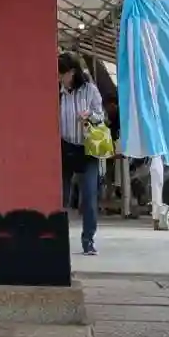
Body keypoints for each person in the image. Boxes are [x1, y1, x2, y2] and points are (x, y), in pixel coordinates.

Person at [59, 52, 104, 256]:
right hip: (65, 147)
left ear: (72, 72)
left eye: (63, 74)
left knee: (89, 197)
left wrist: (90, 115)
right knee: (61, 197)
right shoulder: (58, 92)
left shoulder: (90, 90)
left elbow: (101, 116)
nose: (61, 78)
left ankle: (88, 240)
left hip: (87, 149)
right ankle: (59, 238)